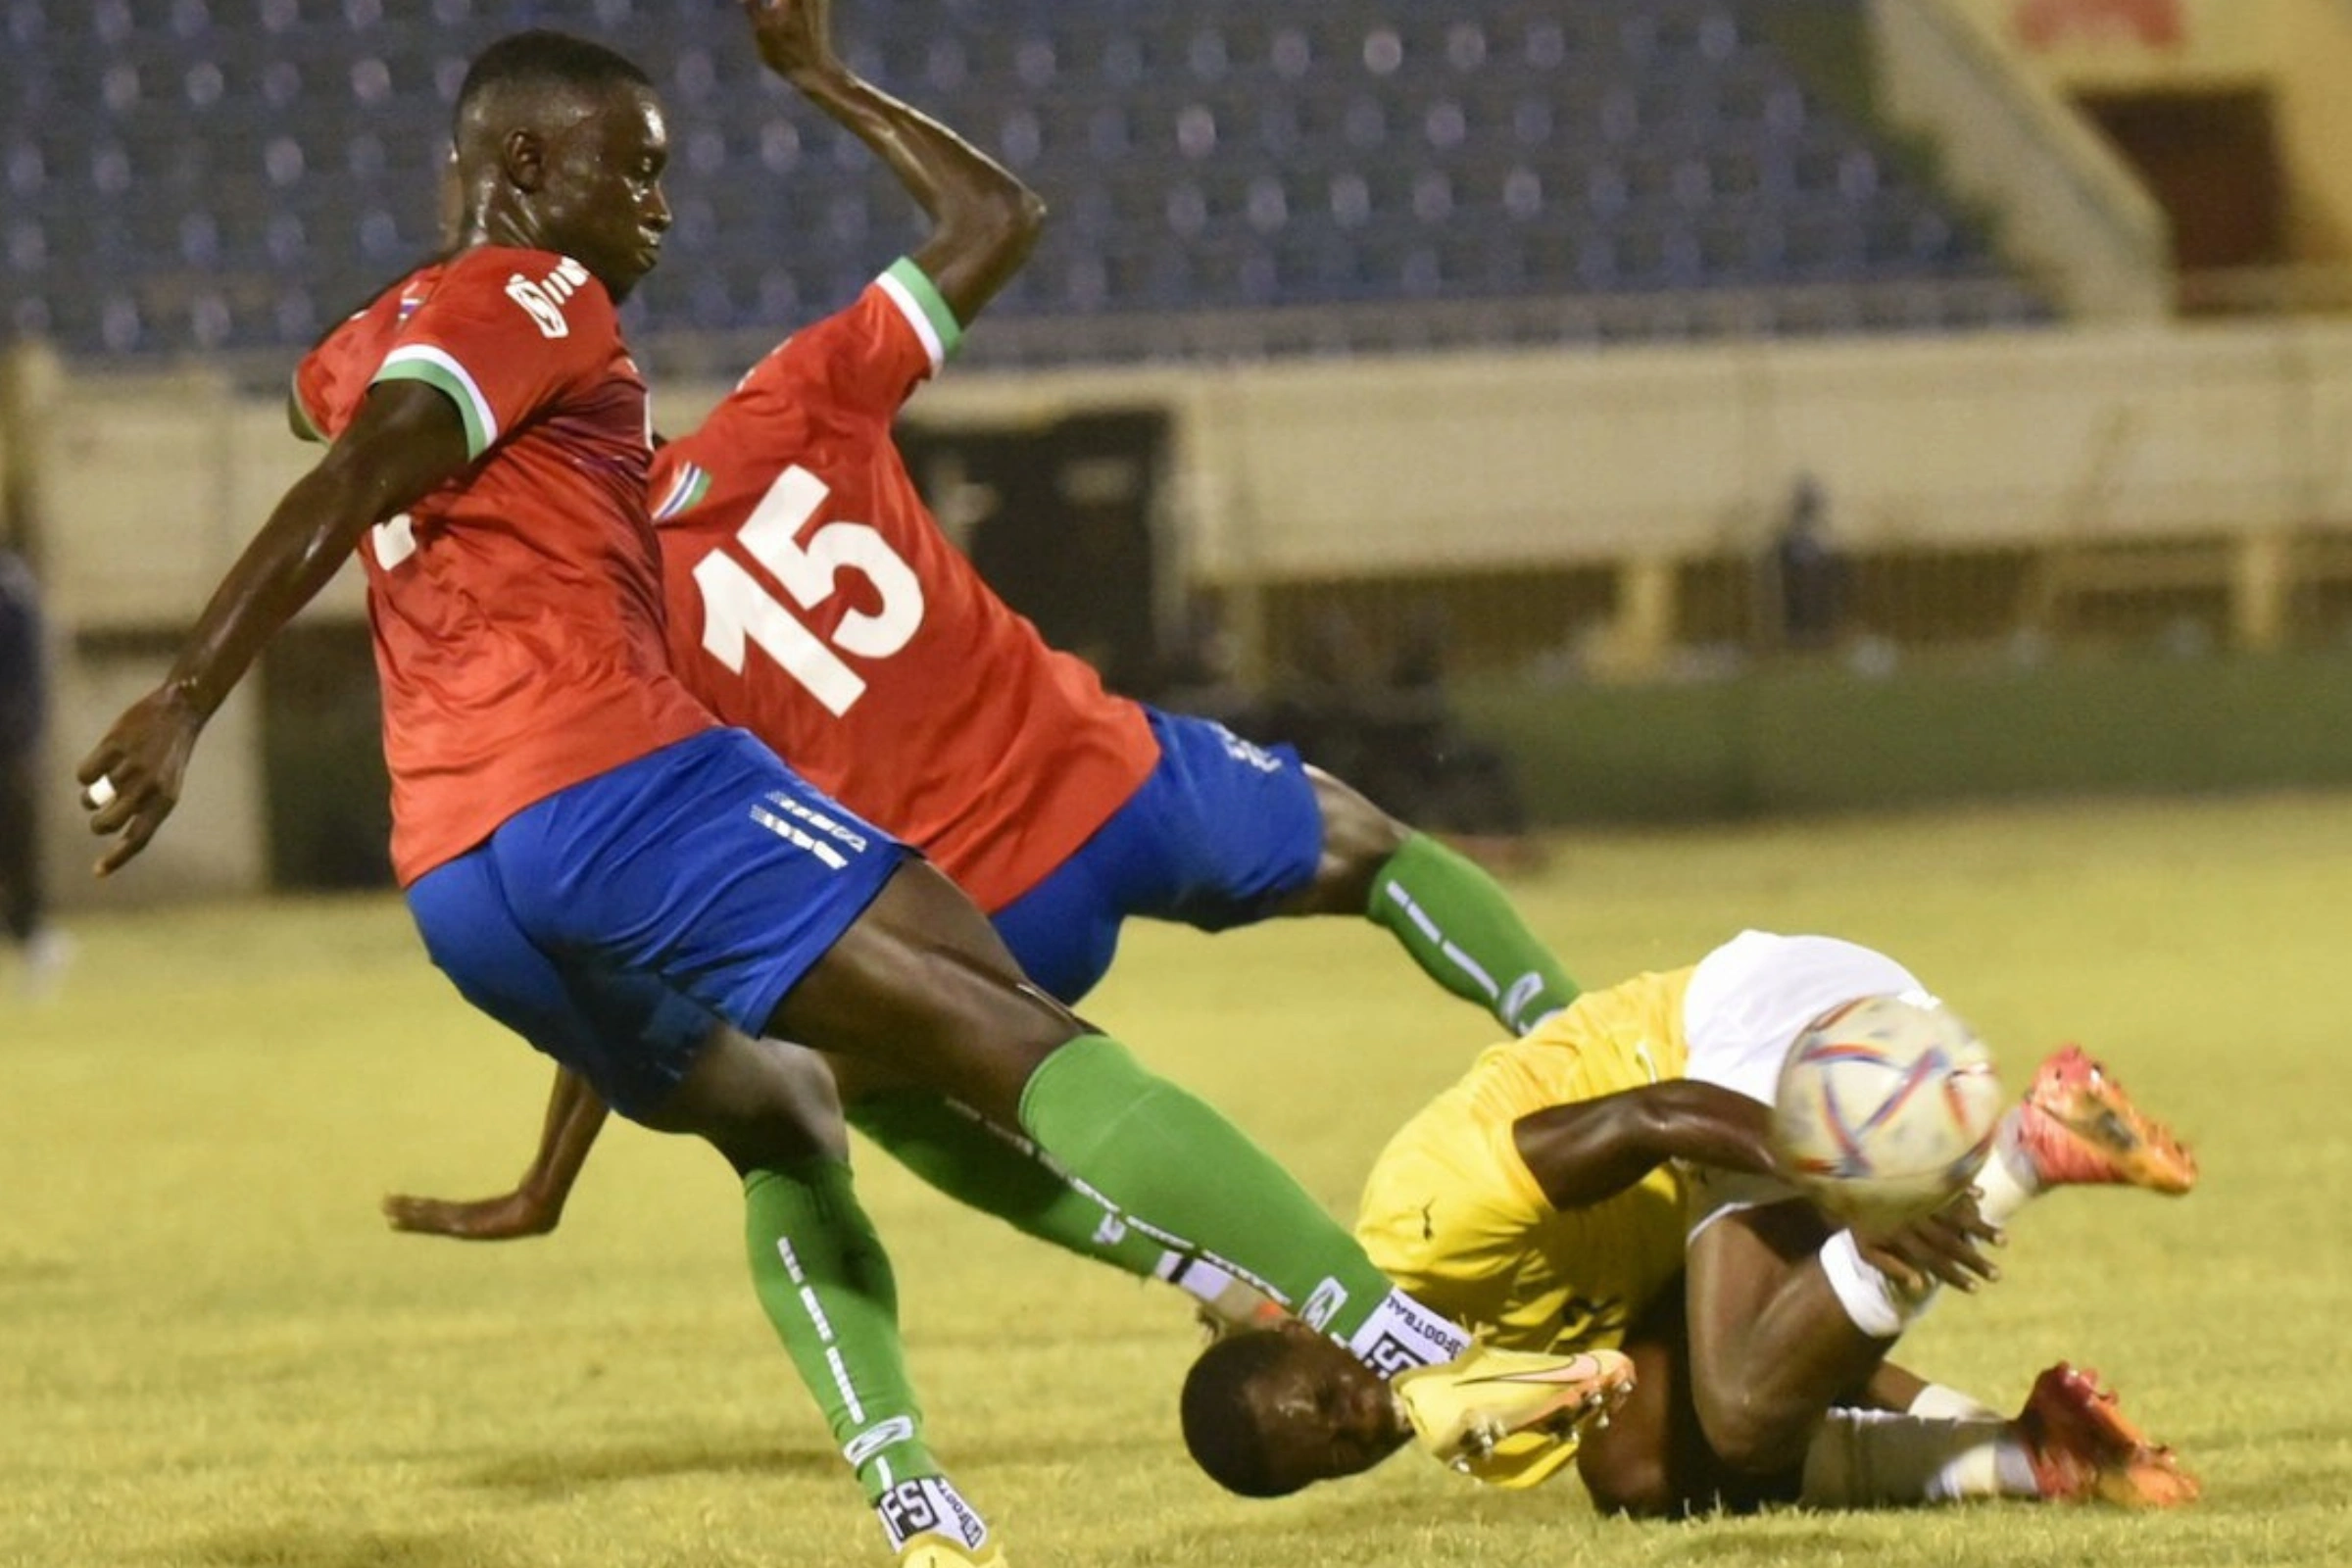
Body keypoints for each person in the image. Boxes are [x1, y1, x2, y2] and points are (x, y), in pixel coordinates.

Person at [75, 12, 1617, 1567]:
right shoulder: (587, 314)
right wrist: (189, 694)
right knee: (1043, 1037)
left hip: (466, 871)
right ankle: (1409, 1336)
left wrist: (552, 1166)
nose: (657, 211)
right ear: (532, 171)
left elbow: (329, 407)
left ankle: (917, 1494)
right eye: (634, 173)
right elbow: (373, 467)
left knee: (794, 1126)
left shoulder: (418, 353)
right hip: (853, 782)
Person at [337, 0, 1575, 1325]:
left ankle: (1235, 1284)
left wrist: (551, 1169)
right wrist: (824, 75)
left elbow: (623, 914)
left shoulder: (604, 627)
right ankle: (1583, 1053)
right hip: (1108, 777)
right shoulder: (795, 401)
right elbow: (998, 217)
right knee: (1375, 851)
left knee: (890, 1098)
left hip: (971, 908)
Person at [1178, 929, 2200, 1514]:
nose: (1363, 1419)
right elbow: (1818, 1362)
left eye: (1325, 1402)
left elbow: (1650, 1114)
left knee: (1746, 1412)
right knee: (1633, 1466)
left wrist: (1853, 1185)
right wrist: (1972, 1416)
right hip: (1743, 1131)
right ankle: (2036, 1454)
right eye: (1341, 1456)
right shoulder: (1477, 1420)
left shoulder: (1427, 1212)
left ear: (1290, 1325)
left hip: (1764, 1039)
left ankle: (2029, 1148)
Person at [0, 541, 68, 999]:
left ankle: (33, 938)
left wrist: (24, 738)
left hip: (8, 746)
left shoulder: (11, 586)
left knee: (16, 847)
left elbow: (28, 673)